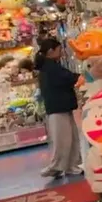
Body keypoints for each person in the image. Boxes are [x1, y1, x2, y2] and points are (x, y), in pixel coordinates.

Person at [34, 38, 83, 178]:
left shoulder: (50, 66)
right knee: (63, 139)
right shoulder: (50, 67)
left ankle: (70, 165)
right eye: (59, 49)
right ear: (51, 51)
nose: (62, 52)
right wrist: (82, 76)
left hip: (62, 106)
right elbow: (68, 78)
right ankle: (57, 166)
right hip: (58, 107)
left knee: (71, 138)